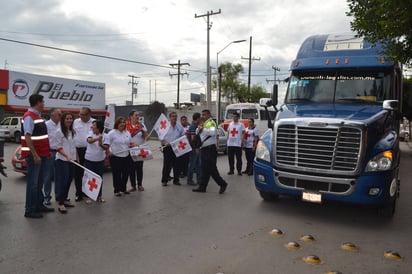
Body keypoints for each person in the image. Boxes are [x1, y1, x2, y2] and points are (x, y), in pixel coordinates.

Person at [21, 94, 54, 218]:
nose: (44, 104)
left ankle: (39, 205)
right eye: (42, 102)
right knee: (33, 183)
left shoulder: (37, 116)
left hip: (43, 154)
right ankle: (29, 210)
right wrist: (34, 155)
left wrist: (47, 151)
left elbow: (41, 136)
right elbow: (28, 137)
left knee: (39, 182)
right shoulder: (29, 117)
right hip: (34, 155)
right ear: (37, 103)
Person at [192, 109, 228, 194]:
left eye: (204, 115)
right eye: (202, 114)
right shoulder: (203, 123)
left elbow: (213, 132)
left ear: (208, 115)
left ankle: (222, 184)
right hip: (204, 149)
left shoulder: (211, 122)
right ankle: (202, 187)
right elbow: (198, 133)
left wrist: (203, 129)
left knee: (212, 169)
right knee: (205, 169)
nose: (202, 116)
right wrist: (200, 129)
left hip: (210, 149)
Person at [54, 113, 76, 214]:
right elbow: (58, 147)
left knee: (69, 180)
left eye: (71, 118)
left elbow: (73, 146)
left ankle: (65, 199)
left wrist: (77, 158)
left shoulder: (72, 131)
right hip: (62, 160)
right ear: (63, 120)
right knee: (62, 181)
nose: (69, 120)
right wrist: (66, 156)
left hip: (72, 160)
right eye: (67, 118)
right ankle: (61, 203)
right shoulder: (59, 132)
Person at [104, 116, 132, 196]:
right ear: (117, 124)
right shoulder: (112, 133)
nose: (122, 124)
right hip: (115, 157)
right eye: (120, 122)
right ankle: (117, 190)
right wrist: (108, 152)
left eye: (123, 122)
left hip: (126, 156)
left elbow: (130, 143)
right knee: (117, 174)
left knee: (126, 174)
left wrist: (133, 145)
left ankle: (123, 189)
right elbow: (106, 145)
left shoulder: (127, 133)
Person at [73, 107, 95, 202]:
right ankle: (79, 193)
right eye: (80, 114)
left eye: (83, 114)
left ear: (89, 114)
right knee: (78, 173)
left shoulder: (94, 122)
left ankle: (89, 193)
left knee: (89, 173)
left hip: (91, 150)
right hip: (78, 150)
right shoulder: (75, 122)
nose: (81, 116)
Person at [84, 120, 107, 204]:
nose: (92, 127)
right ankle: (88, 196)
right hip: (89, 159)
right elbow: (89, 141)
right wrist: (98, 138)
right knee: (89, 178)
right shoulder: (90, 133)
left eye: (94, 125)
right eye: (92, 125)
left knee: (99, 178)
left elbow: (106, 147)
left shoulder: (105, 136)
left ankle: (99, 196)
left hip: (100, 160)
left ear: (99, 127)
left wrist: (101, 144)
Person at [160, 112, 185, 186]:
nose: (174, 118)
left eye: (176, 116)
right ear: (169, 117)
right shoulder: (165, 126)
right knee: (166, 165)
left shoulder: (179, 126)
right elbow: (161, 136)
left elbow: (183, 136)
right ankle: (164, 180)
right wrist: (164, 142)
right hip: (167, 147)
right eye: (173, 116)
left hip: (176, 147)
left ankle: (176, 180)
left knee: (177, 165)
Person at [126, 110, 148, 192]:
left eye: (138, 115)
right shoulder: (126, 125)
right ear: (131, 116)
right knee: (131, 169)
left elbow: (146, 135)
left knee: (139, 168)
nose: (138, 117)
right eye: (136, 115)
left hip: (139, 150)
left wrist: (146, 139)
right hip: (130, 150)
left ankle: (140, 184)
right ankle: (133, 186)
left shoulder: (142, 125)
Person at [44, 108, 62, 205]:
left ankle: (59, 196)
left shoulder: (61, 125)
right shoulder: (46, 125)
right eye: (59, 114)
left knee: (59, 176)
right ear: (52, 115)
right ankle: (47, 197)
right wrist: (47, 151)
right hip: (50, 153)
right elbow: (44, 140)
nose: (61, 116)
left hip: (60, 153)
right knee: (48, 177)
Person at [187, 112, 202, 185]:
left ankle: (199, 179)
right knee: (192, 164)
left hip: (197, 147)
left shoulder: (196, 125)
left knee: (198, 164)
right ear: (198, 118)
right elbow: (193, 138)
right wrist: (196, 148)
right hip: (194, 148)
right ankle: (189, 180)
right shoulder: (193, 126)